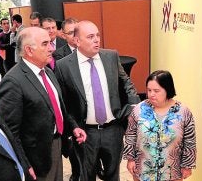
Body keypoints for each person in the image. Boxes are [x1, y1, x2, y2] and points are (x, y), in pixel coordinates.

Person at [0, 27, 87, 181]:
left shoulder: (47, 71)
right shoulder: (13, 81)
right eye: (45, 44)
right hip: (35, 157)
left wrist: (72, 127)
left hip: (56, 145)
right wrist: (24, 163)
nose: (52, 48)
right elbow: (10, 131)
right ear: (29, 50)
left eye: (51, 43)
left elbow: (57, 107)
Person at [55, 21, 141, 181]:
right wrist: (73, 127)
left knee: (112, 175)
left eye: (97, 35)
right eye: (90, 36)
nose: (96, 40)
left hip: (113, 130)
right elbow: (63, 103)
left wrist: (134, 105)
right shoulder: (63, 66)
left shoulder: (111, 56)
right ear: (77, 41)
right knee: (87, 175)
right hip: (85, 133)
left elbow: (126, 82)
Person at [123, 70, 196, 181]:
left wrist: (187, 165)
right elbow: (130, 135)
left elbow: (189, 141)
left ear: (167, 89)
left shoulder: (183, 112)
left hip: (172, 172)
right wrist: (130, 159)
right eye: (149, 90)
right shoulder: (139, 109)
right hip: (143, 170)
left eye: (156, 91)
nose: (151, 94)